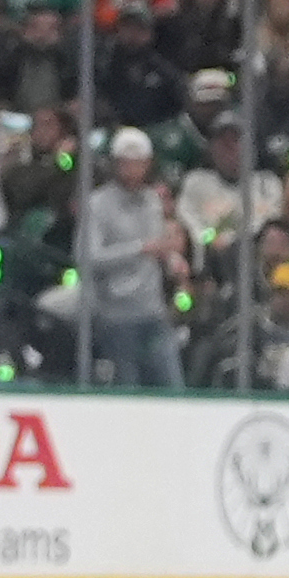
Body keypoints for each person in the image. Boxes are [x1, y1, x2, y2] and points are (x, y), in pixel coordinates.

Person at [81, 127, 186, 389]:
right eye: (125, 163)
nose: (131, 170)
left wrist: (173, 261)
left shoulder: (153, 201)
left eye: (138, 163)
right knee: (128, 389)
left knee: (173, 386)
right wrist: (139, 249)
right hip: (115, 315)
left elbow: (159, 245)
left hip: (153, 310)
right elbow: (87, 257)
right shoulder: (97, 204)